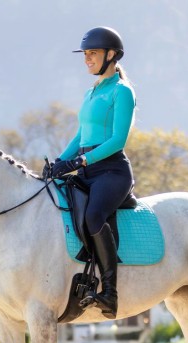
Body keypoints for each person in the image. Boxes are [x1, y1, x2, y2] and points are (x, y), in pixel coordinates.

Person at [50, 26, 136, 319]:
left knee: (93, 216)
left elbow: (117, 141)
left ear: (111, 55)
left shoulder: (122, 92)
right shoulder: (91, 92)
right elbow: (80, 136)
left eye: (93, 54)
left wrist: (81, 163)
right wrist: (60, 162)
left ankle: (110, 293)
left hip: (112, 171)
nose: (87, 59)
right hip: (87, 169)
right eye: (85, 54)